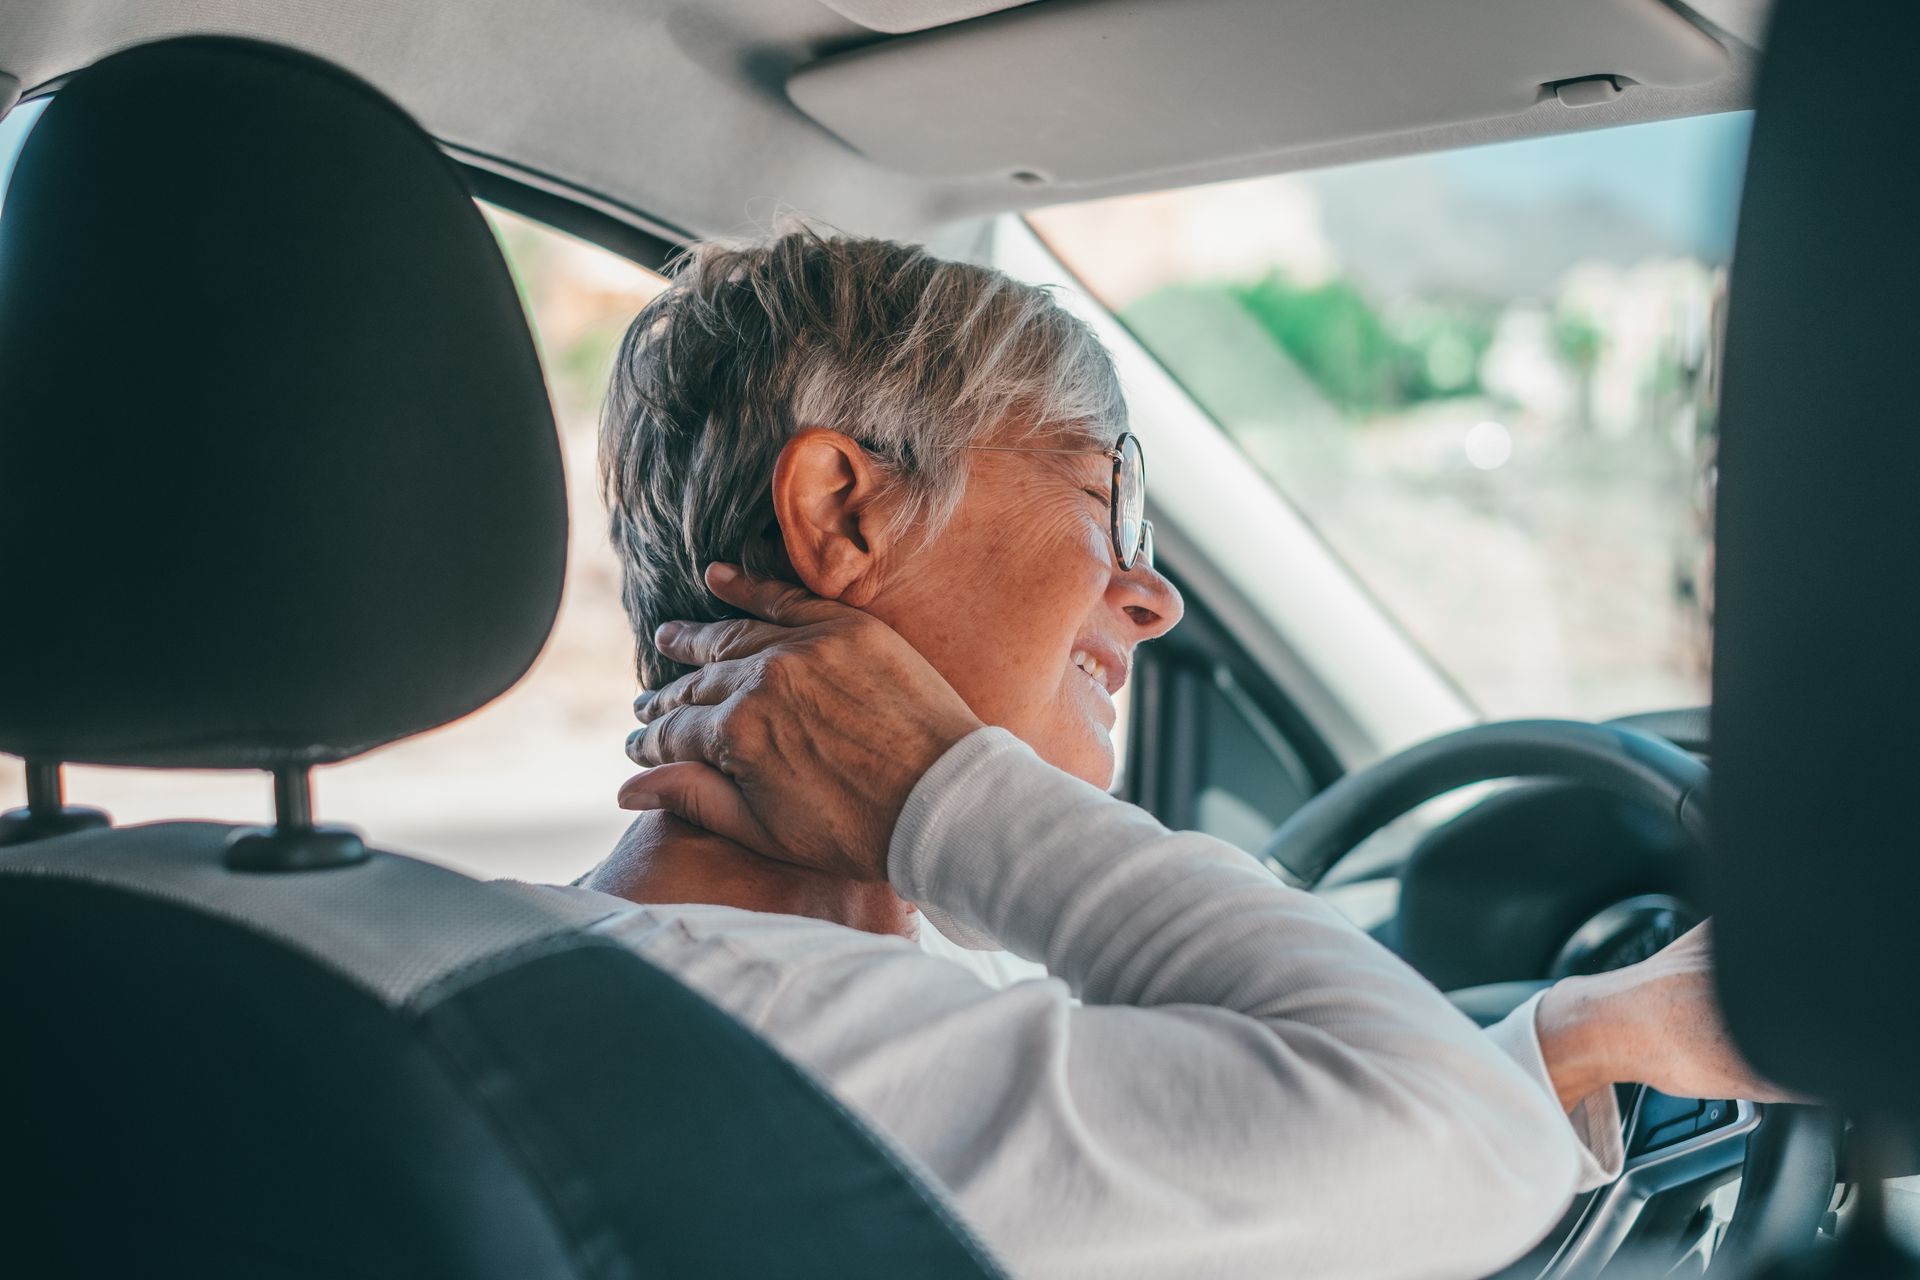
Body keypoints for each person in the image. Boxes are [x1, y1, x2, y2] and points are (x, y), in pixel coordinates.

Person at [534, 229, 1781, 1280]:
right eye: (1107, 498)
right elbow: (1433, 1142)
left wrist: (1591, 1031)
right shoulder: (792, 1056)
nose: (1155, 596)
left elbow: (1250, 1153)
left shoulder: (568, 973)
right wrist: (942, 792)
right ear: (842, 512)